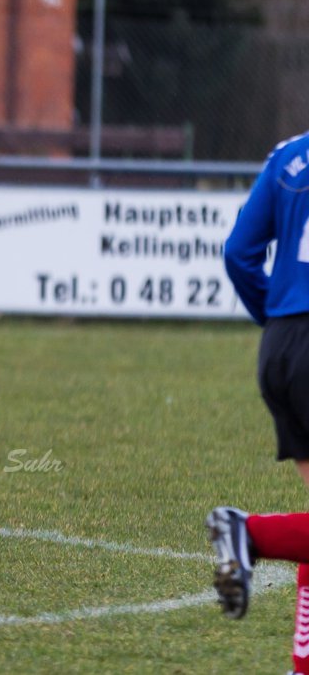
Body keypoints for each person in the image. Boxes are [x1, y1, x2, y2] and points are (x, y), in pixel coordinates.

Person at [211, 129, 309, 672]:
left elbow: (238, 253)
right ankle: (246, 532)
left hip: (282, 349)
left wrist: (277, 321)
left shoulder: (289, 155)